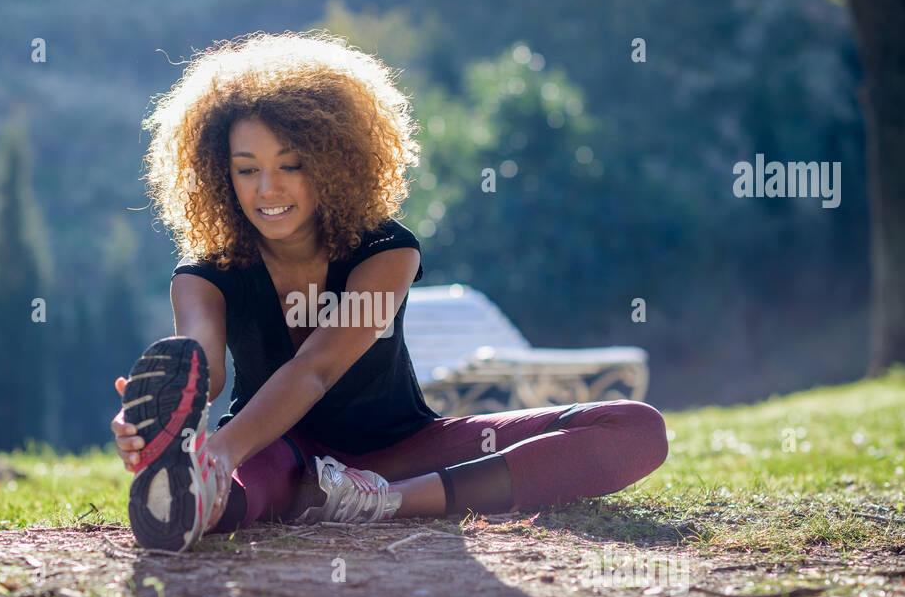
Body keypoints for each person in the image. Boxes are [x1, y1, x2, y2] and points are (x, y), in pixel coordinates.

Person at [111, 30, 669, 552]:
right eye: (246, 169)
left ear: (333, 164)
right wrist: (167, 419)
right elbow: (199, 366)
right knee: (237, 491)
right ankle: (189, 498)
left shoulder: (386, 250)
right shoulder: (203, 273)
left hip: (402, 454)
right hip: (278, 452)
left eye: (291, 164)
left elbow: (316, 369)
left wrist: (221, 448)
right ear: (219, 175)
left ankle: (382, 504)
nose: (268, 188)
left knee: (636, 428)